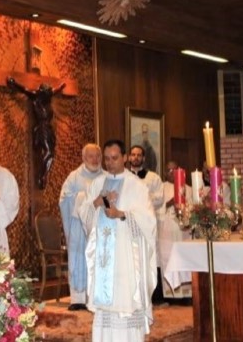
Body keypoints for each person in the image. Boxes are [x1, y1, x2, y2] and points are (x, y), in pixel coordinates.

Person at [79, 139, 157, 341]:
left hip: (126, 260)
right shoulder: (97, 183)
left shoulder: (137, 186)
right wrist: (97, 202)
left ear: (124, 158)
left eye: (114, 158)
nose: (110, 162)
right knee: (106, 311)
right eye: (106, 159)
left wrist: (121, 214)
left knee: (125, 304)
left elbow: (149, 221)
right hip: (104, 258)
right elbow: (84, 214)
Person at [58, 143, 103, 311]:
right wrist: (84, 199)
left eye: (97, 156)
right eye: (91, 156)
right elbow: (64, 199)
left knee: (98, 259)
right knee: (79, 259)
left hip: (98, 226)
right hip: (78, 226)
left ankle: (96, 297)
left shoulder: (105, 177)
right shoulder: (74, 177)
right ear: (84, 158)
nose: (95, 159)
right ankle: (77, 298)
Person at [7, 77, 66, 189]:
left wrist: (62, 87)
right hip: (42, 128)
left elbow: (55, 90)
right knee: (49, 152)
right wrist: (14, 83)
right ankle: (41, 175)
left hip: (48, 128)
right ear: (42, 92)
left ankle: (43, 175)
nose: (49, 95)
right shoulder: (36, 97)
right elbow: (24, 89)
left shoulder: (48, 96)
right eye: (47, 93)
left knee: (51, 154)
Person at [127, 145, 165, 303]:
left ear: (143, 158)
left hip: (148, 223)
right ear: (128, 157)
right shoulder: (123, 177)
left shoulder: (153, 178)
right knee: (131, 257)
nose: (135, 157)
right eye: (133, 154)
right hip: (129, 223)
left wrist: (142, 197)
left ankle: (154, 296)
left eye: (139, 155)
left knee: (150, 257)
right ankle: (132, 295)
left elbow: (159, 199)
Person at [159, 161, 192, 302]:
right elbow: (154, 208)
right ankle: (170, 294)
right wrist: (169, 203)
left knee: (185, 259)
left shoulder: (188, 188)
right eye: (169, 170)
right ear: (165, 172)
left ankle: (187, 294)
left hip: (182, 230)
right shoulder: (160, 188)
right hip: (166, 230)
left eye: (175, 169)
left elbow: (193, 208)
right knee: (168, 259)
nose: (172, 173)